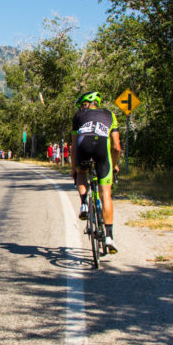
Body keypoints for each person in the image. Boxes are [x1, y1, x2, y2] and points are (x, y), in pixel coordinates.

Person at [71, 91, 122, 253]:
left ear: (88, 103)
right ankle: (109, 237)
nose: (82, 107)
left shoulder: (79, 116)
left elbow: (74, 146)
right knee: (105, 194)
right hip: (101, 150)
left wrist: (74, 168)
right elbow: (116, 147)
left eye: (83, 104)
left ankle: (84, 204)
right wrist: (114, 165)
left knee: (81, 173)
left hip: (83, 147)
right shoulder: (110, 115)